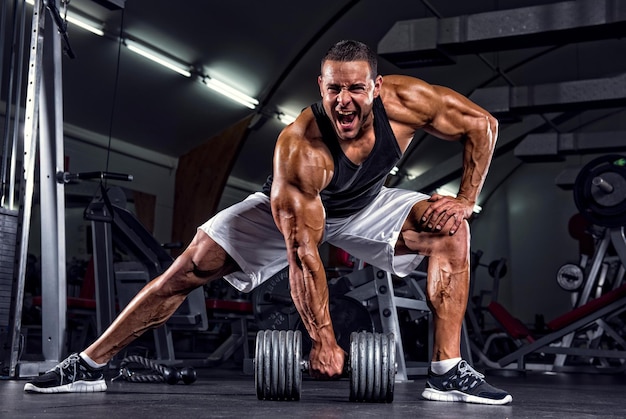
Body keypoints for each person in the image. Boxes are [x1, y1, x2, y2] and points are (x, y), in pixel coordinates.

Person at [24, 39, 511, 405]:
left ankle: (447, 370)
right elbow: (304, 256)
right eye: (334, 89)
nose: (345, 101)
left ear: (377, 88)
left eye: (357, 89)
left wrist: (467, 199)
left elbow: (482, 126)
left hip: (367, 203)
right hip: (290, 210)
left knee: (452, 230)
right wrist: (322, 339)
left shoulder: (409, 103)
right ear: (321, 87)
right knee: (185, 271)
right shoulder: (301, 149)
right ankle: (88, 364)